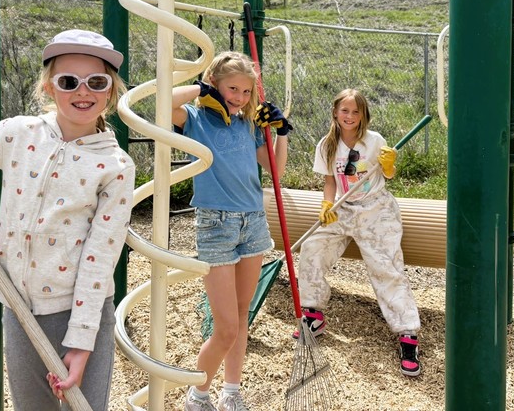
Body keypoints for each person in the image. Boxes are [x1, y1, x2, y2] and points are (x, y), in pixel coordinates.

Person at [0, 29, 135, 410]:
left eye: (96, 82)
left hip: (81, 311)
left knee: (85, 405)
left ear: (110, 91)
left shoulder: (116, 166)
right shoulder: (18, 133)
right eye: (68, 81)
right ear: (48, 87)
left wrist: (81, 340)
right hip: (19, 306)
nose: (83, 92)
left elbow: (101, 254)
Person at [172, 51, 292, 411]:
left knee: (241, 317)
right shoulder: (195, 118)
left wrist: (280, 131)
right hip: (216, 225)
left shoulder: (249, 124)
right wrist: (201, 89)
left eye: (245, 90)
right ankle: (197, 393)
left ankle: (232, 391)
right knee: (225, 326)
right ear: (215, 84)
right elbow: (163, 102)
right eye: (231, 88)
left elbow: (276, 170)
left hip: (253, 222)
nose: (238, 97)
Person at [296, 88, 422, 377]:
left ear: (363, 115)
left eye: (355, 112)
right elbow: (330, 181)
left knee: (386, 267)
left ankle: (407, 333)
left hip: (376, 209)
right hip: (342, 207)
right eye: (344, 111)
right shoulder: (327, 145)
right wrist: (327, 204)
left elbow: (388, 174)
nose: (349, 116)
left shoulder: (374, 141)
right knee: (313, 247)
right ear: (335, 113)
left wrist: (390, 164)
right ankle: (313, 313)